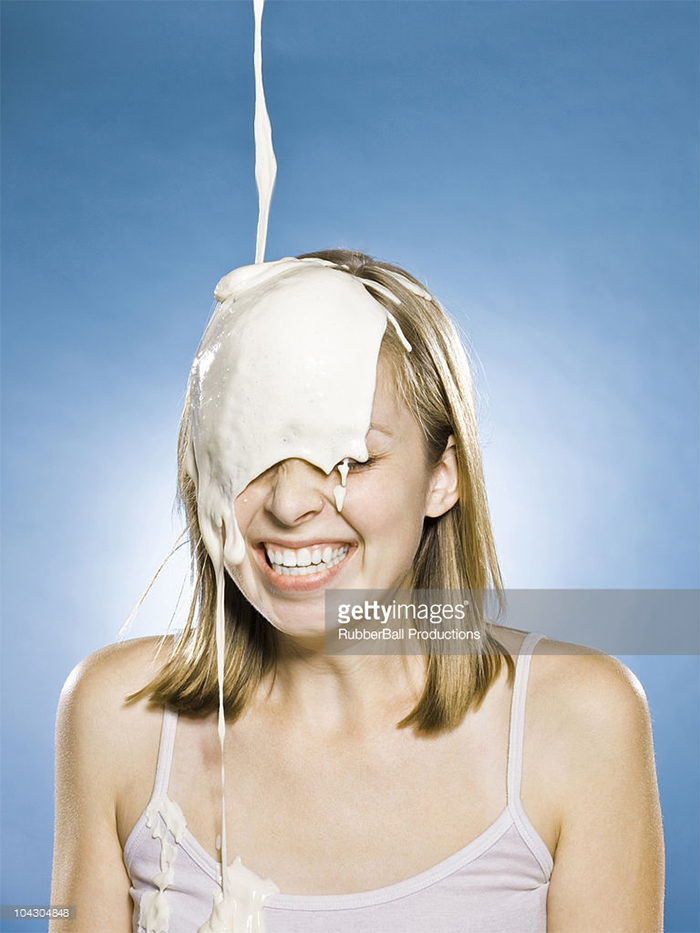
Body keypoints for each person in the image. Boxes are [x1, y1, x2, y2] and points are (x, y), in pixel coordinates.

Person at [50, 249, 664, 933]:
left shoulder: (578, 721)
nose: (288, 502)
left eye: (349, 457)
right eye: (249, 450)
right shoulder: (116, 717)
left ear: (442, 477)